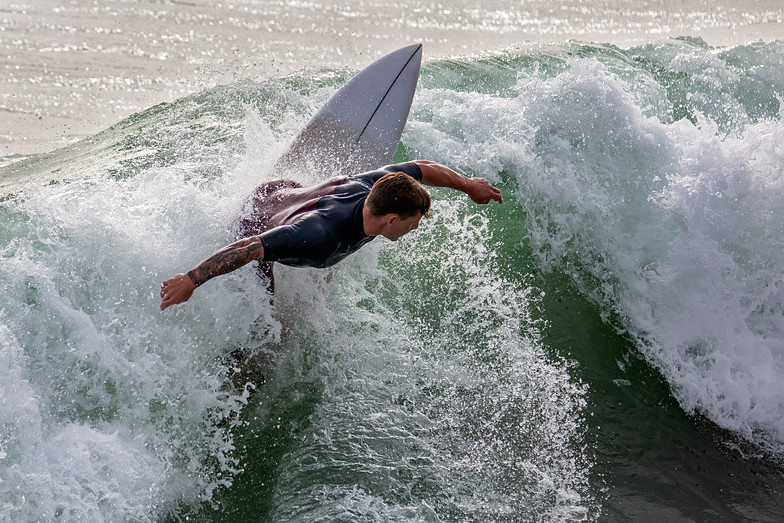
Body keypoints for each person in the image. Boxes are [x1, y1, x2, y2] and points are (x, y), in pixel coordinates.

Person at [159, 160, 502, 311]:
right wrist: (191, 279)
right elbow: (250, 247)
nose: (417, 226)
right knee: (263, 332)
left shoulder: (375, 186)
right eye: (415, 221)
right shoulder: (319, 235)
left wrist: (469, 185)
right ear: (392, 220)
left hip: (284, 192)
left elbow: (421, 168)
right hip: (257, 222)